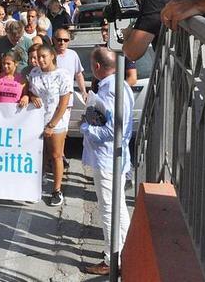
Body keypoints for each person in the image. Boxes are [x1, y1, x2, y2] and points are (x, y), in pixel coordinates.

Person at [81, 47, 134, 276]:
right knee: (118, 207)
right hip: (114, 158)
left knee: (109, 210)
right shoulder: (118, 85)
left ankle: (112, 259)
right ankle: (123, 253)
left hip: (108, 159)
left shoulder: (111, 89)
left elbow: (113, 129)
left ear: (97, 67)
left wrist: (87, 127)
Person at [27, 45, 72, 207]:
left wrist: (51, 125)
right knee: (40, 153)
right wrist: (31, 96)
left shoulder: (62, 75)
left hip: (56, 121)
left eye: (44, 56)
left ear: (52, 56)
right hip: (37, 119)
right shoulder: (34, 73)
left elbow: (63, 103)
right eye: (38, 57)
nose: (40, 60)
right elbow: (31, 91)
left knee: (55, 155)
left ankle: (57, 190)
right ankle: (38, 182)